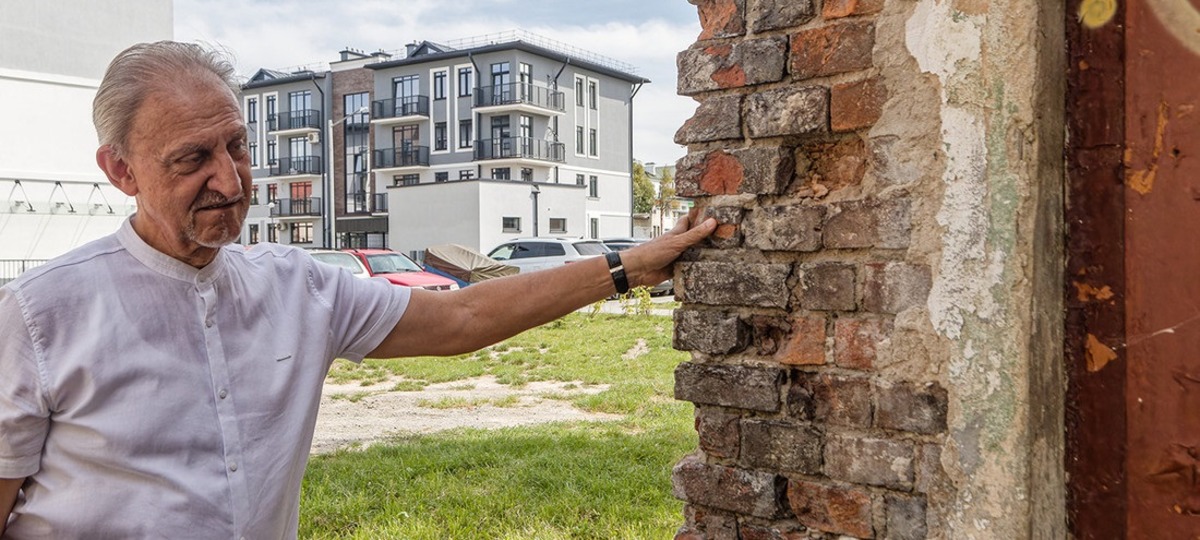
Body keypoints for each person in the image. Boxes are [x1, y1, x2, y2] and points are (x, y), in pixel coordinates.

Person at [0, 41, 715, 538]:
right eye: (192, 158)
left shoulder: (297, 287)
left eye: (237, 146)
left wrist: (628, 268)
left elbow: (461, 315)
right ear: (119, 170)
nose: (231, 180)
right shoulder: (40, 312)